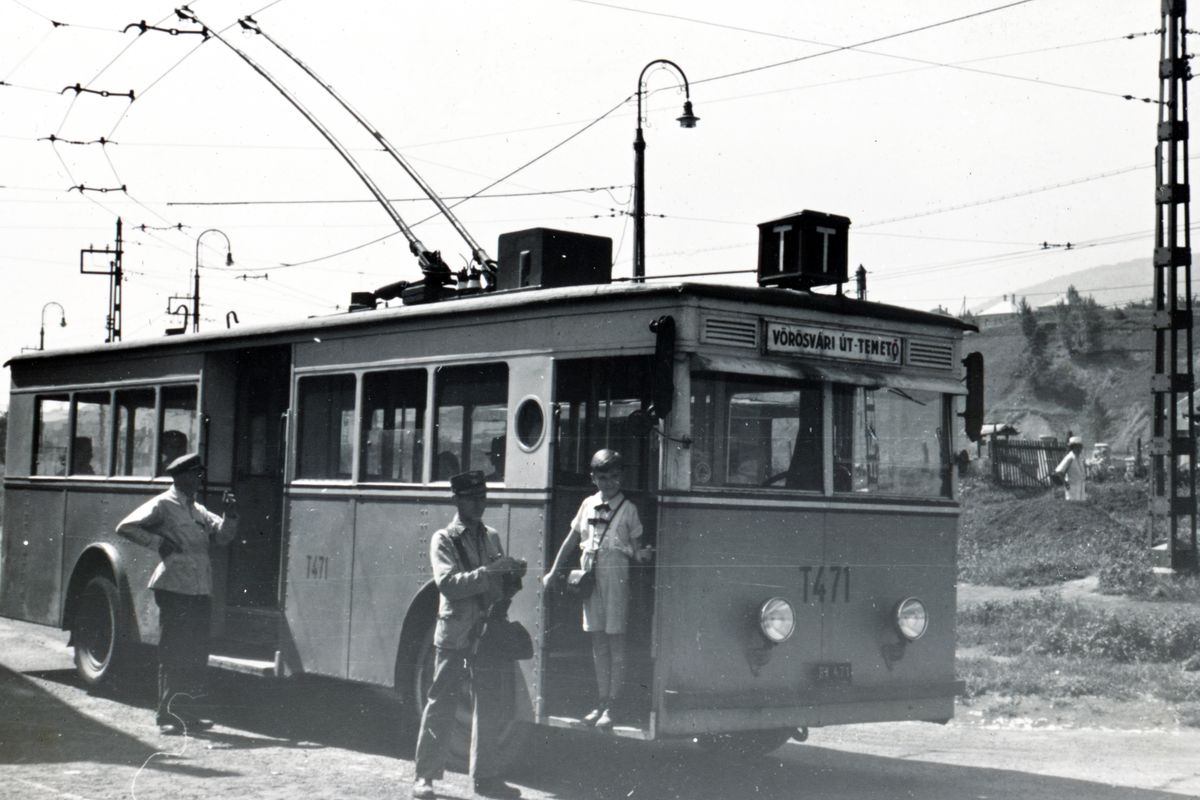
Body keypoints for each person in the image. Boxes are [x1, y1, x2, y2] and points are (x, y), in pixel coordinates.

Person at [412, 470, 525, 800]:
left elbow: (498, 588)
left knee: (488, 707)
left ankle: (485, 777)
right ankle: (425, 777)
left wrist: (512, 577)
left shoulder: (491, 536)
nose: (480, 504)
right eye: (473, 499)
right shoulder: (444, 539)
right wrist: (490, 573)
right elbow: (447, 584)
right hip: (456, 632)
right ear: (457, 500)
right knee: (441, 703)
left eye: (483, 498)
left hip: (486, 632)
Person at [115, 453, 238, 734]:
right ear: (180, 476)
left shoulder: (197, 510)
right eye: (195, 474)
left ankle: (187, 714)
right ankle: (167, 715)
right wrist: (158, 542)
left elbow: (222, 536)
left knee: (196, 653)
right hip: (174, 587)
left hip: (198, 589)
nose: (199, 479)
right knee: (175, 652)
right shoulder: (164, 504)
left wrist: (230, 515)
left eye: (199, 474)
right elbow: (126, 527)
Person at [542, 449, 652, 729]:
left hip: (616, 574)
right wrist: (554, 571)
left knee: (616, 639)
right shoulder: (587, 504)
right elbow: (571, 540)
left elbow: (637, 550)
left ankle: (613, 704)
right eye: (603, 477)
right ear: (593, 478)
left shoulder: (628, 509)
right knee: (598, 640)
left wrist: (643, 555)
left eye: (615, 477)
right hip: (591, 573)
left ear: (622, 477)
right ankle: (601, 701)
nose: (609, 483)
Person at [1053, 435, 1087, 501]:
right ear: (1073, 447)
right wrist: (1065, 483)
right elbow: (1059, 471)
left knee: (1082, 508)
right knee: (1074, 507)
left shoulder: (1079, 458)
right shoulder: (1069, 458)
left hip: (1081, 488)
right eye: (1077, 447)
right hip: (1072, 488)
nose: (1079, 449)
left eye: (1080, 447)